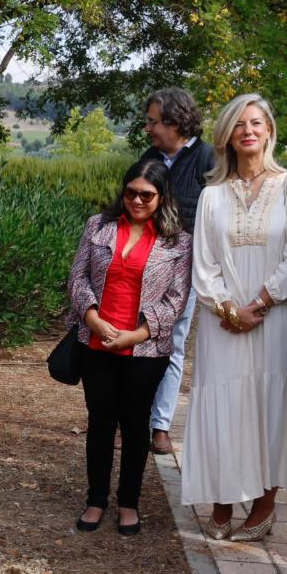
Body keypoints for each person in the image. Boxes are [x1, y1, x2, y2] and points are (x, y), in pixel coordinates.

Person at [181, 94, 287, 541]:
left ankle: (264, 503)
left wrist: (261, 301)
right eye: (239, 125)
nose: (248, 131)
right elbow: (203, 263)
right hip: (223, 320)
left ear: (270, 130)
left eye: (256, 123)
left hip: (279, 318)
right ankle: (221, 498)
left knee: (272, 407)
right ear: (227, 136)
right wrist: (226, 308)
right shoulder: (211, 195)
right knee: (225, 405)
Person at [65, 159, 192, 535]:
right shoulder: (98, 227)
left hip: (145, 350)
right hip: (96, 342)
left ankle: (129, 503)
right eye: (130, 192)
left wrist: (134, 335)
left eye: (146, 195)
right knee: (100, 423)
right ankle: (96, 499)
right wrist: (93, 319)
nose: (137, 200)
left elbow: (176, 299)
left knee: (136, 426)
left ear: (162, 197)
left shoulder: (179, 242)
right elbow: (77, 277)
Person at [139, 87, 216, 456]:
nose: (149, 128)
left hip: (183, 270)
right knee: (138, 340)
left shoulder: (209, 160)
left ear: (174, 121)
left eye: (153, 121)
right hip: (142, 265)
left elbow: (216, 219)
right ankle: (135, 419)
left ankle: (160, 426)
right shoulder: (149, 157)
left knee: (171, 343)